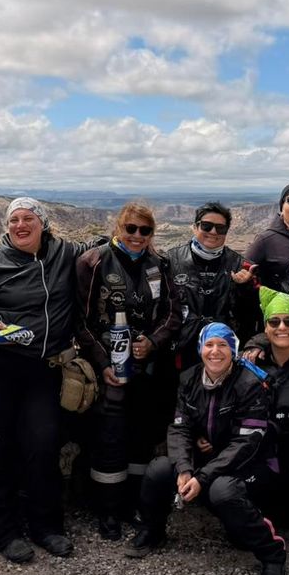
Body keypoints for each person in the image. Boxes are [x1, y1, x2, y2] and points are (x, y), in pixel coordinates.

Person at [0, 198, 100, 564]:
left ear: (44, 224)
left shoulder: (65, 254)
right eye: (13, 220)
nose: (20, 225)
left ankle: (45, 526)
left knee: (43, 443)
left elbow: (103, 246)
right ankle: (4, 531)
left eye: (28, 219)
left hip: (40, 368)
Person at [125, 321, 287, 575]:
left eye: (223, 345)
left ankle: (272, 554)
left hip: (250, 462)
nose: (215, 352)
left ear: (233, 350)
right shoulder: (189, 378)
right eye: (209, 345)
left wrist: (202, 476)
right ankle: (153, 530)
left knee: (223, 492)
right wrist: (185, 469)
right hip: (207, 461)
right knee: (160, 469)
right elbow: (179, 427)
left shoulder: (249, 383)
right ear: (200, 348)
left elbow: (246, 442)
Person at [76, 201, 181, 540]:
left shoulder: (159, 264)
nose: (137, 236)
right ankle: (107, 510)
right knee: (109, 439)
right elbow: (79, 318)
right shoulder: (92, 262)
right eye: (131, 229)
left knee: (141, 438)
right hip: (107, 369)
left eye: (144, 230)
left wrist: (152, 341)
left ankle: (133, 504)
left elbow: (172, 314)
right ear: (118, 227)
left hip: (147, 368)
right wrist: (102, 361)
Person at [168, 201, 257, 370]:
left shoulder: (241, 265)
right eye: (206, 226)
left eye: (220, 228)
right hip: (182, 351)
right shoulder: (171, 260)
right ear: (195, 227)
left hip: (223, 353)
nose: (213, 232)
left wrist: (244, 287)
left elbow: (251, 314)